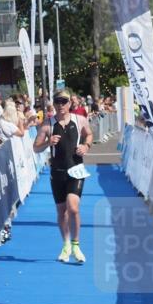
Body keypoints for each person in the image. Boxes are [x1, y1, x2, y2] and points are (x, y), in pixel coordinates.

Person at [33, 89, 93, 263]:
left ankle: (76, 244)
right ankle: (66, 244)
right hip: (57, 172)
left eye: (64, 101)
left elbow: (89, 134)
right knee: (62, 211)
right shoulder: (48, 124)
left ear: (70, 103)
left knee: (73, 207)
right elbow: (35, 147)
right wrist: (47, 142)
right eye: (57, 101)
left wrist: (86, 147)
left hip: (76, 170)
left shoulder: (79, 120)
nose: (60, 105)